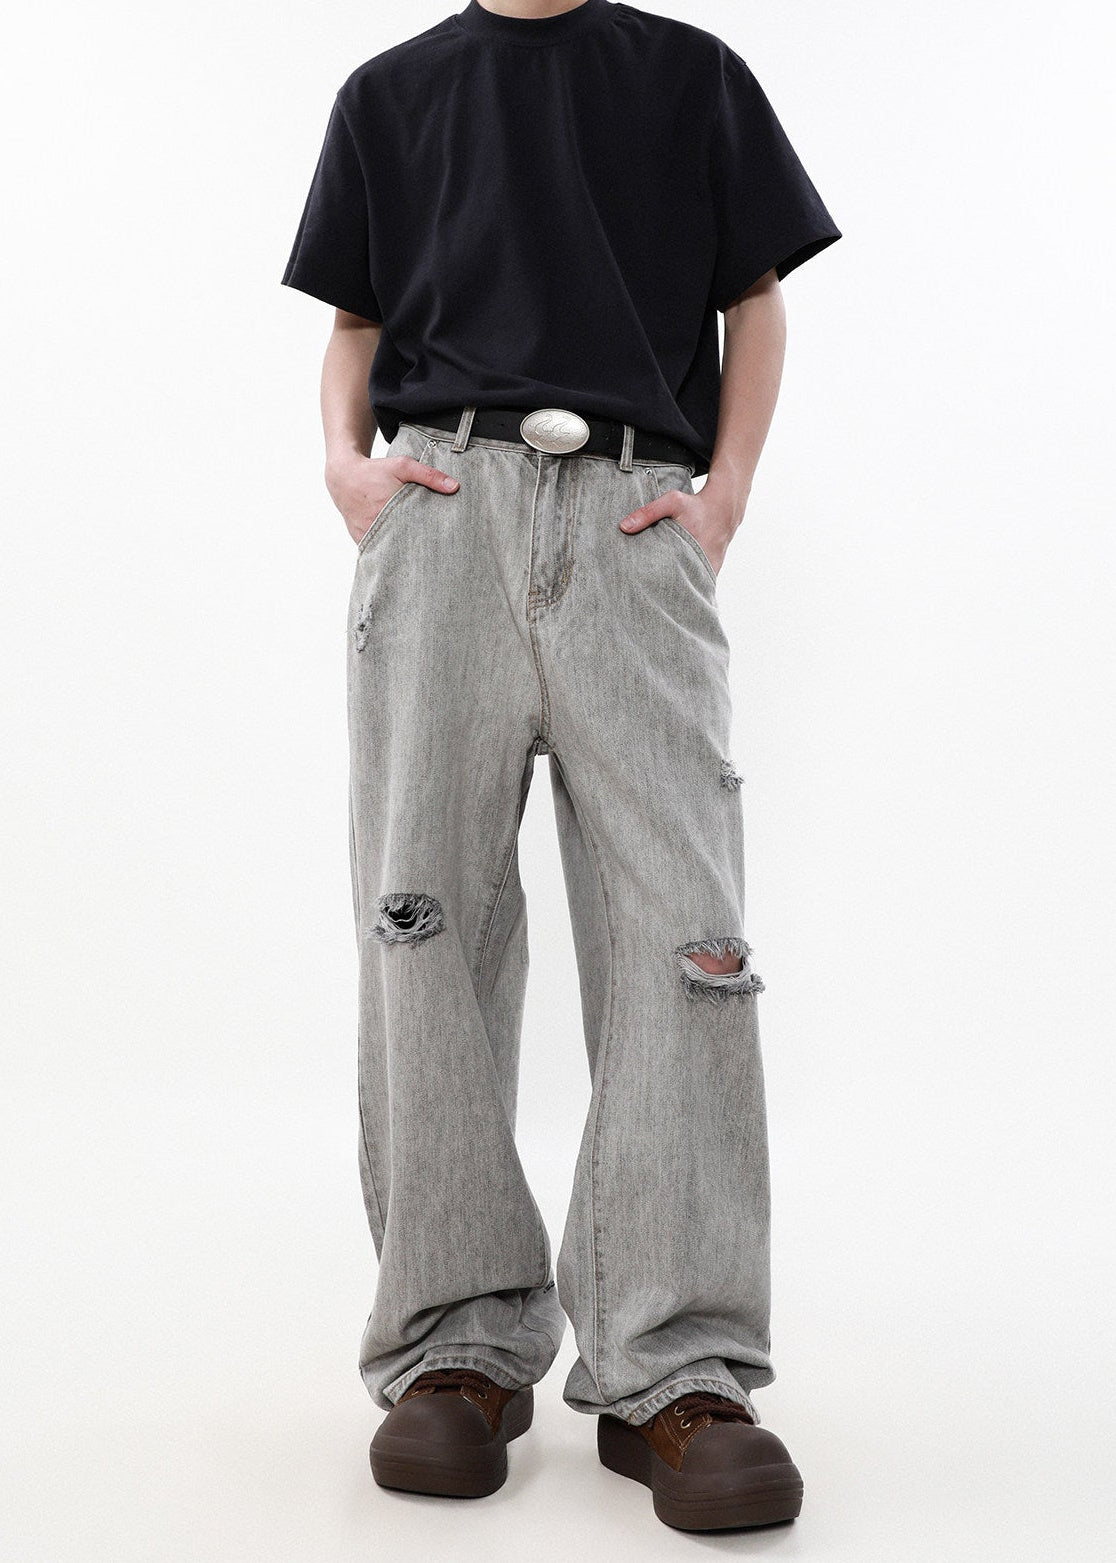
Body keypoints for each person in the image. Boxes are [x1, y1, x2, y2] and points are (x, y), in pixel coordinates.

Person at [280, 0, 840, 1533]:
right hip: (441, 514)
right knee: (424, 922)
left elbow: (756, 299)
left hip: (634, 516)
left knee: (685, 942)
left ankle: (677, 1370)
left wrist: (725, 496)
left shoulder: (692, 76)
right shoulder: (391, 94)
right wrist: (346, 471)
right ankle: (455, 1348)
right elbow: (354, 322)